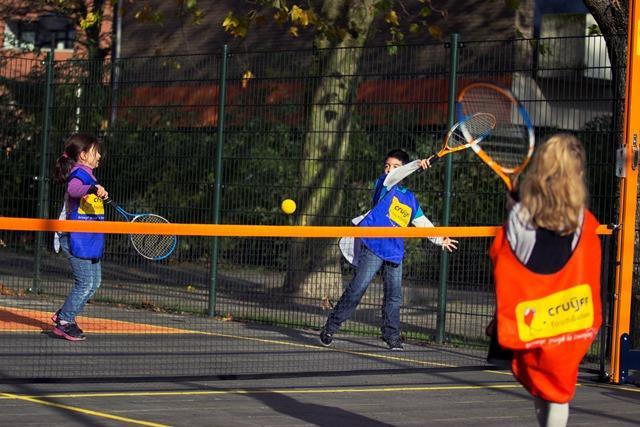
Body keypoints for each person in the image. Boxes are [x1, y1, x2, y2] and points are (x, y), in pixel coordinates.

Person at [490, 134, 602, 427]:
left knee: (545, 392)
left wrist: (513, 208)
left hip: (532, 321)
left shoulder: (519, 218)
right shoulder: (583, 220)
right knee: (558, 392)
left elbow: (503, 256)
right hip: (569, 319)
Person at [320, 148, 458, 350]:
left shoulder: (410, 199)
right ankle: (330, 327)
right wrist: (416, 164)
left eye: (395, 166)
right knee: (357, 289)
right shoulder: (383, 185)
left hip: (395, 252)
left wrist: (440, 239)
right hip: (374, 246)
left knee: (394, 296)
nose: (389, 170)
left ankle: (391, 337)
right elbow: (393, 177)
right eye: (387, 165)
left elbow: (422, 223)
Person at [51, 133, 108, 341]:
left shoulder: (89, 175)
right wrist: (92, 188)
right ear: (83, 155)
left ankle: (64, 314)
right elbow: (74, 190)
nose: (100, 155)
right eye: (96, 152)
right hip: (73, 237)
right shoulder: (78, 174)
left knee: (95, 283)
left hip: (87, 239)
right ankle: (65, 321)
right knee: (84, 282)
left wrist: (96, 189)